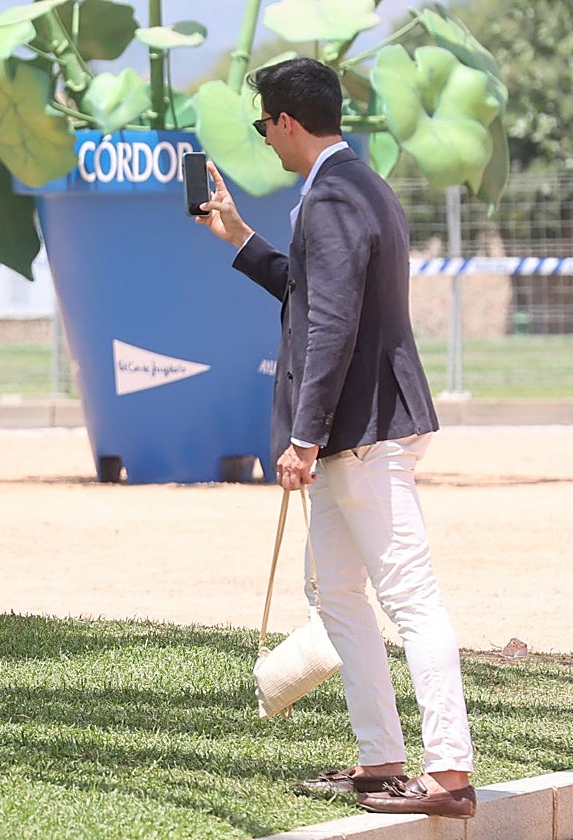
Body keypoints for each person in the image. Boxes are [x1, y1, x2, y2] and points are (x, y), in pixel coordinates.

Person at [197, 58, 476, 819]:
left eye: (264, 125)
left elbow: (331, 325)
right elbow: (313, 293)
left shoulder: (333, 197)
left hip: (361, 435)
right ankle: (381, 760)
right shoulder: (359, 186)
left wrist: (306, 437)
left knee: (410, 599)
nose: (265, 137)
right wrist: (240, 237)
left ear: (287, 121)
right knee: (341, 598)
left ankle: (450, 774)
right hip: (357, 433)